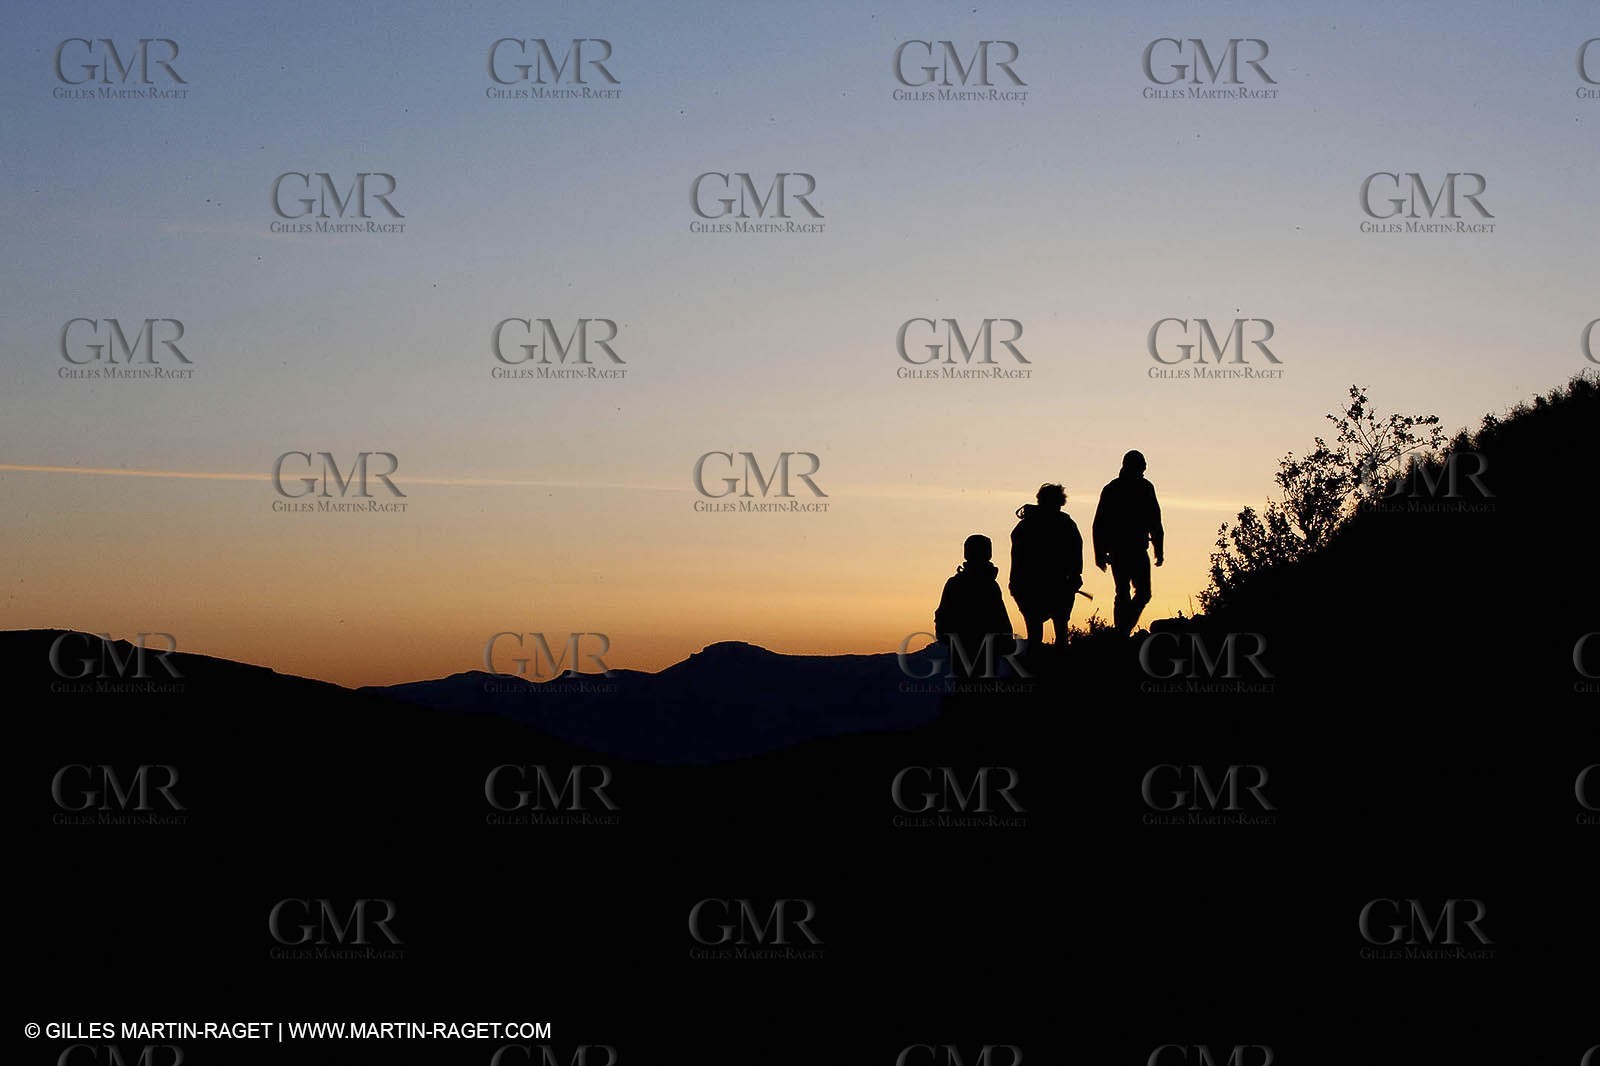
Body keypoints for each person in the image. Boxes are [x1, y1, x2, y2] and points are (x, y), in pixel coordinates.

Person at [1092, 450, 1165, 637]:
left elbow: (1155, 520)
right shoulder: (1116, 489)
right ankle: (1122, 633)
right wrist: (1099, 553)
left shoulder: (1139, 488)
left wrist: (1159, 548)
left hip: (1133, 549)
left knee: (1139, 594)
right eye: (1142, 465)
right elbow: (1099, 523)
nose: (1144, 468)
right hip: (1122, 550)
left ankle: (1122, 630)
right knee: (1125, 593)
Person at [1007, 483, 1084, 652]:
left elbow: (1017, 558)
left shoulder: (1025, 526)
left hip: (1035, 587)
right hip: (1051, 587)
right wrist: (1075, 577)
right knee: (1059, 632)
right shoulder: (1066, 524)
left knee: (1037, 634)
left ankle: (1037, 669)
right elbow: (1076, 552)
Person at [933, 534, 1015, 678]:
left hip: (964, 652)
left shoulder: (955, 583)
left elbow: (942, 618)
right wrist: (1006, 641)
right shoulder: (988, 585)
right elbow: (1000, 617)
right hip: (982, 652)